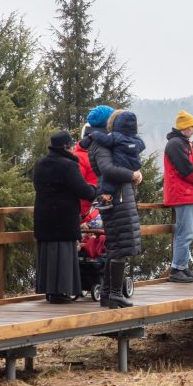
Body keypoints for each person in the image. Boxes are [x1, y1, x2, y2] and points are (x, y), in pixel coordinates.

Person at [85, 109, 144, 307]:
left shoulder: (101, 142)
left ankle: (109, 294)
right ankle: (114, 293)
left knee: (116, 246)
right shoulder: (100, 144)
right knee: (120, 245)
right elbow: (108, 169)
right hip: (116, 198)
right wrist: (132, 175)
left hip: (118, 196)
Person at [33, 131, 98, 303]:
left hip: (44, 216)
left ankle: (49, 291)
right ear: (65, 147)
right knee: (63, 255)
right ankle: (60, 292)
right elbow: (83, 190)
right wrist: (96, 190)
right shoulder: (68, 165)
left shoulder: (40, 164)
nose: (73, 149)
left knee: (48, 255)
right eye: (71, 146)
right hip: (63, 218)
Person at [163, 110, 193, 284]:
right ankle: (177, 269)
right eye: (191, 126)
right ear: (184, 127)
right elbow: (187, 170)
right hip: (182, 194)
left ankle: (182, 267)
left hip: (187, 194)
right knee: (185, 232)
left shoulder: (183, 143)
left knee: (186, 232)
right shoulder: (175, 144)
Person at [89, 113, 146, 211]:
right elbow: (142, 146)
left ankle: (106, 197)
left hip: (120, 164)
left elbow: (105, 140)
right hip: (134, 165)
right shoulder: (137, 140)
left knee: (106, 180)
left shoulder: (116, 137)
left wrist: (94, 134)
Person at [74, 105, 113, 220]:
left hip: (100, 210)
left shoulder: (106, 151)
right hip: (90, 215)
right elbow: (78, 189)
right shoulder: (80, 157)